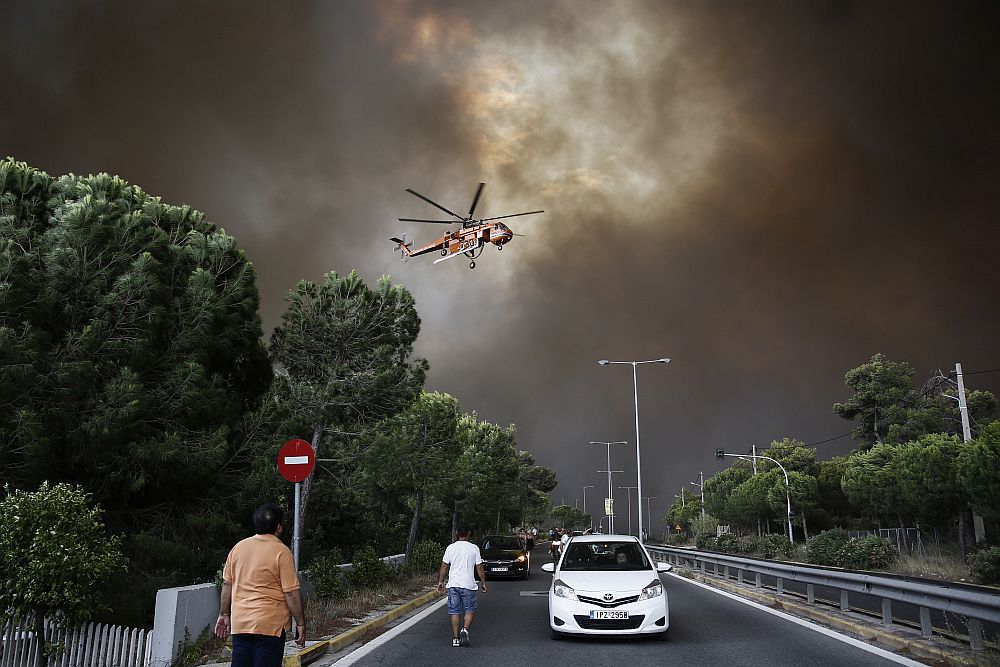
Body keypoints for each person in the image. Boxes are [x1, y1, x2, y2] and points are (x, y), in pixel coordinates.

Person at [215, 503, 305, 667]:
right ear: (278, 527)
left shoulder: (238, 548)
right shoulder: (282, 552)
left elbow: (227, 584)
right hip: (270, 626)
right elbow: (291, 593)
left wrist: (223, 614)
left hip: (241, 624)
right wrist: (300, 623)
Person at [438, 524, 488, 647]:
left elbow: (444, 565)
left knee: (454, 611)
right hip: (468, 584)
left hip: (454, 584)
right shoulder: (474, 548)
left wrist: (441, 581)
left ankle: (455, 639)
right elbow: (479, 567)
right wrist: (483, 582)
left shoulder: (451, 548)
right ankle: (464, 629)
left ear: (456, 533)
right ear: (469, 533)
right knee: (469, 609)